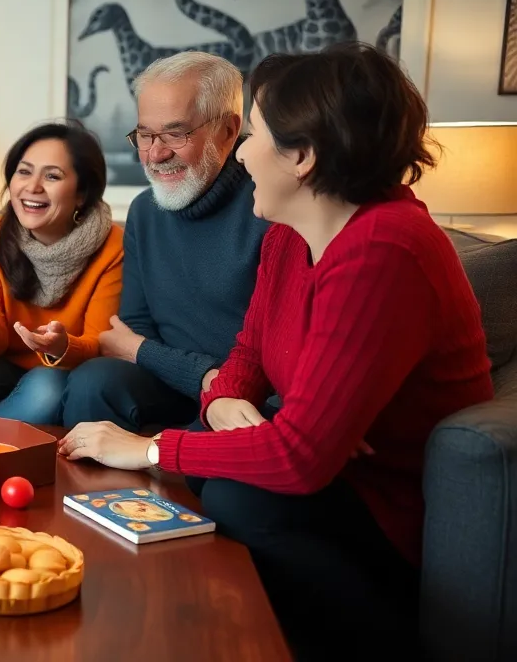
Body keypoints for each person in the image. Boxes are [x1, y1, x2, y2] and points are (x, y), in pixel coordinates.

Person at [60, 42, 493, 659]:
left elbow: (302, 457)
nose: (241, 154)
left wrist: (149, 448)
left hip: (383, 505)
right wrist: (222, 401)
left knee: (238, 493)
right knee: (216, 475)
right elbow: (248, 353)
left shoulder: (386, 250)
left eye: (254, 134)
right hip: (331, 471)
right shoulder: (290, 237)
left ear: (303, 156)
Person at [61, 52, 269, 431]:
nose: (156, 154)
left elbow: (272, 357)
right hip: (173, 381)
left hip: (245, 393)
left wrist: (203, 379)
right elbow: (135, 326)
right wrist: (194, 375)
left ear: (227, 130)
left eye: (176, 133)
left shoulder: (270, 206)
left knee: (224, 436)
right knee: (93, 382)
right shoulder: (144, 211)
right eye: (145, 135)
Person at [0, 121, 123, 424]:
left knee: (47, 387)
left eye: (52, 176)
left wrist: (61, 346)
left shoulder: (112, 245)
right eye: (24, 172)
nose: (32, 187)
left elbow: (101, 345)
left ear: (81, 194)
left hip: (57, 372)